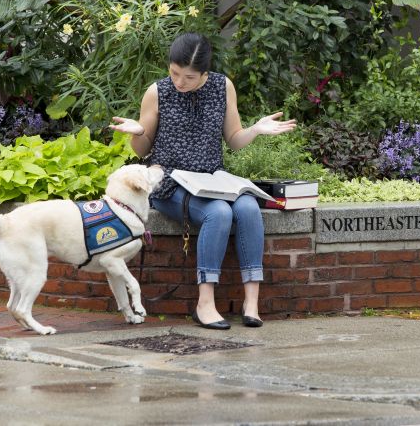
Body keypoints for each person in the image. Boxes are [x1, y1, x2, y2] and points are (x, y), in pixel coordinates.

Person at [109, 32, 296, 329]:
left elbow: (234, 139)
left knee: (248, 208)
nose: (180, 82)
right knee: (218, 212)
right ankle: (205, 303)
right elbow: (142, 151)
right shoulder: (157, 92)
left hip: (212, 179)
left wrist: (256, 129)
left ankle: (251, 302)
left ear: (205, 74)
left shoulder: (223, 87)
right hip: (169, 182)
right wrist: (138, 132)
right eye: (175, 73)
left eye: (189, 77)